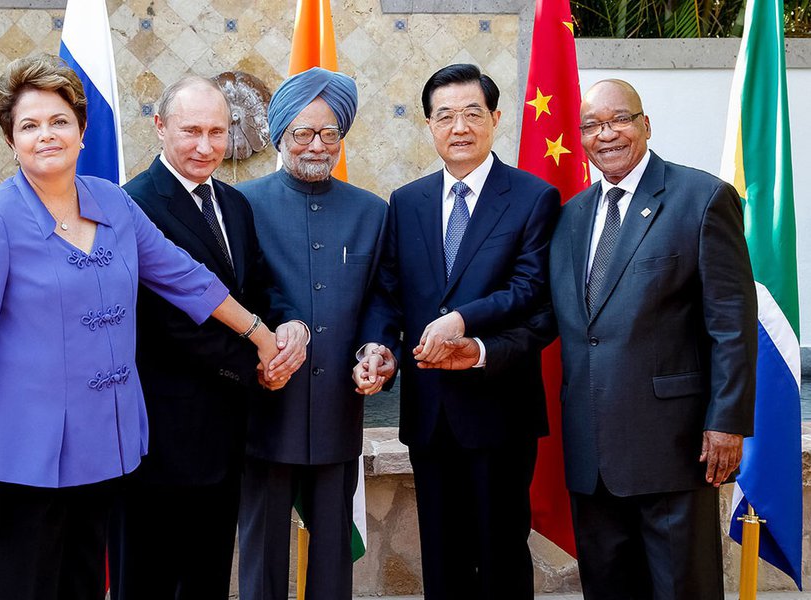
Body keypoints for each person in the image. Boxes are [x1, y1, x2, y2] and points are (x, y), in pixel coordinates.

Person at [0, 54, 292, 600]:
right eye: (29, 125)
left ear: (81, 133)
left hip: (99, 454)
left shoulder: (114, 204)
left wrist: (263, 337)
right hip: (16, 463)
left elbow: (187, 279)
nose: (46, 135)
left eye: (59, 122)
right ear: (11, 141)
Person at [420, 80, 758, 600]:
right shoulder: (573, 215)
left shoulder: (702, 198)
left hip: (671, 446)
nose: (607, 135)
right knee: (607, 588)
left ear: (646, 124)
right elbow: (549, 320)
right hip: (590, 452)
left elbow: (732, 322)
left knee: (682, 588)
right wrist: (482, 351)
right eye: (592, 126)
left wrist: (727, 421)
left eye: (618, 120)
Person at [354, 63, 560, 599]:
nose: (459, 126)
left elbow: (531, 288)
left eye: (472, 113)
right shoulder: (408, 201)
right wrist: (378, 346)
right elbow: (388, 292)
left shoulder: (534, 197)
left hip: (500, 406)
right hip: (430, 409)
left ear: (495, 118)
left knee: (500, 552)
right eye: (445, 115)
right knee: (440, 554)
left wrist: (464, 322)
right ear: (429, 125)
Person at [106, 75, 307, 600]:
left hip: (225, 434)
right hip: (159, 439)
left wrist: (287, 329)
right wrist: (256, 364)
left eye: (217, 132)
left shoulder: (235, 205)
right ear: (159, 128)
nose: (204, 146)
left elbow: (257, 287)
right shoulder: (134, 205)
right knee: (147, 582)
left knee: (208, 579)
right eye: (190, 130)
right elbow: (162, 321)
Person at [234, 66, 388, 600]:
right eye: (302, 132)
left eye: (329, 133)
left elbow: (380, 300)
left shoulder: (372, 212)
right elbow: (233, 296)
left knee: (331, 561)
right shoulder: (242, 205)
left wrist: (376, 347)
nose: (316, 144)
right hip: (264, 408)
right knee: (262, 556)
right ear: (280, 136)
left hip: (335, 409)